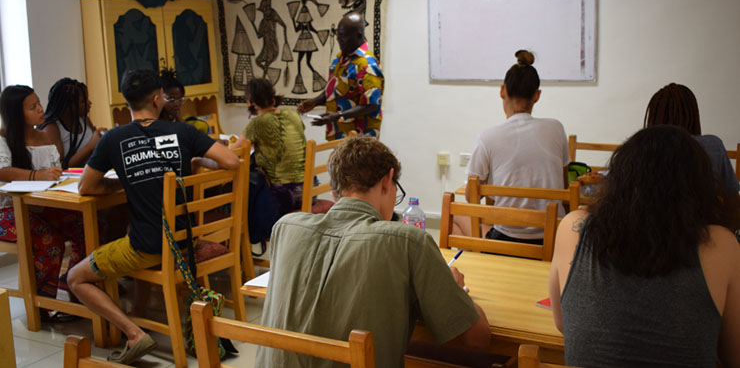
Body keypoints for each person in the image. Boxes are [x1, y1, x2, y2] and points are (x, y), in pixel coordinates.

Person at [256, 136, 490, 368]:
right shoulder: (408, 241)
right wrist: (455, 289)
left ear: (335, 193)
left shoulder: (286, 228)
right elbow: (478, 339)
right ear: (388, 181)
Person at [67, 69, 239, 364]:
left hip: (146, 247)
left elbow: (87, 186)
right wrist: (195, 160)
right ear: (158, 99)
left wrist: (123, 180)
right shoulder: (182, 132)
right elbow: (231, 160)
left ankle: (134, 332)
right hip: (184, 240)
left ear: (127, 100)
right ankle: (140, 314)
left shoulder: (114, 138)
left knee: (75, 277)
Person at [549, 125, 740, 368]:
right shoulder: (721, 243)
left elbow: (563, 323)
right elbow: (735, 355)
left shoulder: (572, 228)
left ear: (619, 178)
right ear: (698, 187)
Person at [459, 50, 569, 242]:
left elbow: (472, 197)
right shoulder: (556, 128)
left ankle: (482, 265)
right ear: (537, 95)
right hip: (552, 238)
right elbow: (564, 186)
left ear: (502, 91)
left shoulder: (487, 137)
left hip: (506, 238)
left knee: (458, 219)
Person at [0, 85, 85, 316]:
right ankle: (42, 306)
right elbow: (3, 171)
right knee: (50, 239)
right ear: (16, 113)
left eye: (39, 103)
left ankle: (72, 281)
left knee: (84, 226)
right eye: (33, 107)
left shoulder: (45, 137)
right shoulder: (3, 139)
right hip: (9, 213)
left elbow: (55, 171)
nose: (40, 110)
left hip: (44, 207)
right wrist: (36, 175)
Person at [297, 12, 384, 140]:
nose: (338, 39)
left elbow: (372, 104)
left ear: (359, 35)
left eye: (343, 35)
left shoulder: (367, 64)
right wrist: (315, 102)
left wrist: (339, 115)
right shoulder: (339, 60)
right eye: (338, 34)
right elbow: (334, 89)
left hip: (361, 138)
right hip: (340, 133)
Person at [644, 82, 739, 195]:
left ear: (654, 115)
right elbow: (731, 194)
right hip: (703, 212)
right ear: (692, 113)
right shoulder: (713, 145)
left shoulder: (641, 147)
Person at [231, 78, 306, 215]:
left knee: (243, 190)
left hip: (283, 195)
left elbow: (233, 152)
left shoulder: (257, 123)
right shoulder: (292, 115)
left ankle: (249, 234)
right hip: (309, 190)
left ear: (250, 102)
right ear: (273, 96)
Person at [39, 78, 106, 169]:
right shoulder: (52, 128)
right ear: (67, 106)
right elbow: (60, 167)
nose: (89, 103)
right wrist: (90, 146)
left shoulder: (84, 120)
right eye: (83, 101)